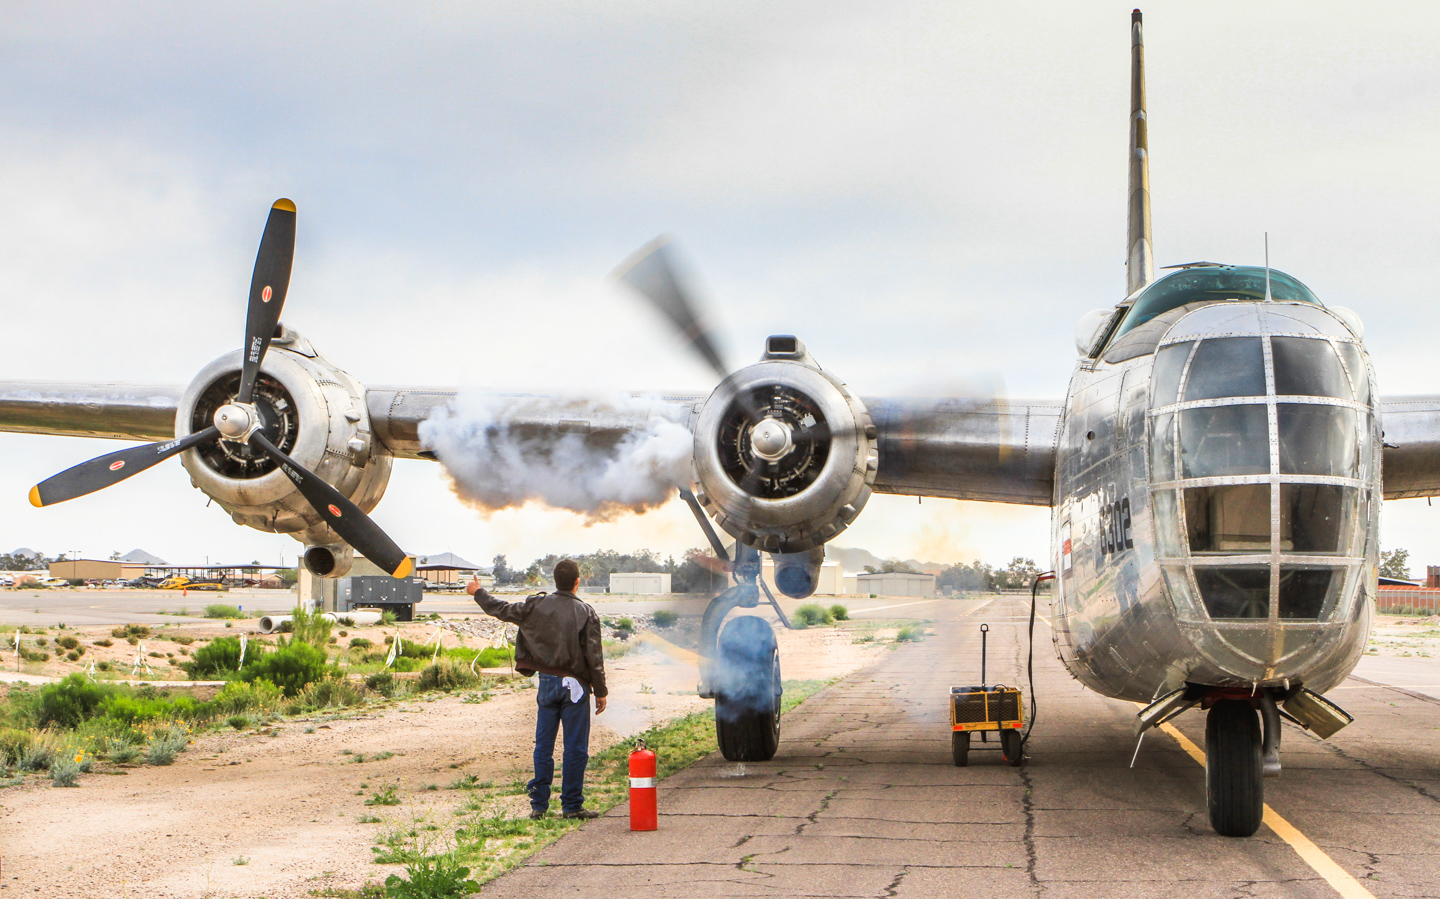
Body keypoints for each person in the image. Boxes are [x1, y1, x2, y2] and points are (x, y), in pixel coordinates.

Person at [467, 559, 607, 820]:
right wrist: (600, 690)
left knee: (543, 746)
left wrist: (478, 592)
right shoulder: (586, 612)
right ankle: (572, 806)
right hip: (575, 686)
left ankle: (539, 806)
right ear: (578, 582)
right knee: (575, 748)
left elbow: (500, 609)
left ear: (555, 580)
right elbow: (594, 656)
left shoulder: (535, 605)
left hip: (546, 683)